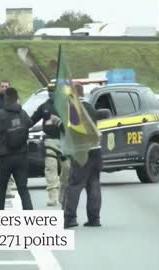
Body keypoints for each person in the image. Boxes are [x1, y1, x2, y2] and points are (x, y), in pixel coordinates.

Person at [51, 83, 102, 228]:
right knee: (94, 185)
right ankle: (94, 218)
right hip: (96, 150)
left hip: (82, 151)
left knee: (74, 184)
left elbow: (70, 130)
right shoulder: (90, 107)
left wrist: (57, 122)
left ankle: (69, 218)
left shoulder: (75, 107)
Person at [0, 87, 33, 210]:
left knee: (1, 188)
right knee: (23, 189)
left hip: (5, 156)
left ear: (5, 99)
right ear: (17, 98)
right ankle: (31, 217)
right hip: (22, 155)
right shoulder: (23, 114)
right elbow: (29, 124)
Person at [30, 83, 70, 206]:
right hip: (50, 141)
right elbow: (31, 120)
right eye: (50, 91)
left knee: (67, 168)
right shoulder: (44, 107)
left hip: (65, 141)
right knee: (50, 167)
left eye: (54, 91)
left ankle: (63, 190)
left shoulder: (67, 106)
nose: (51, 93)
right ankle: (53, 196)